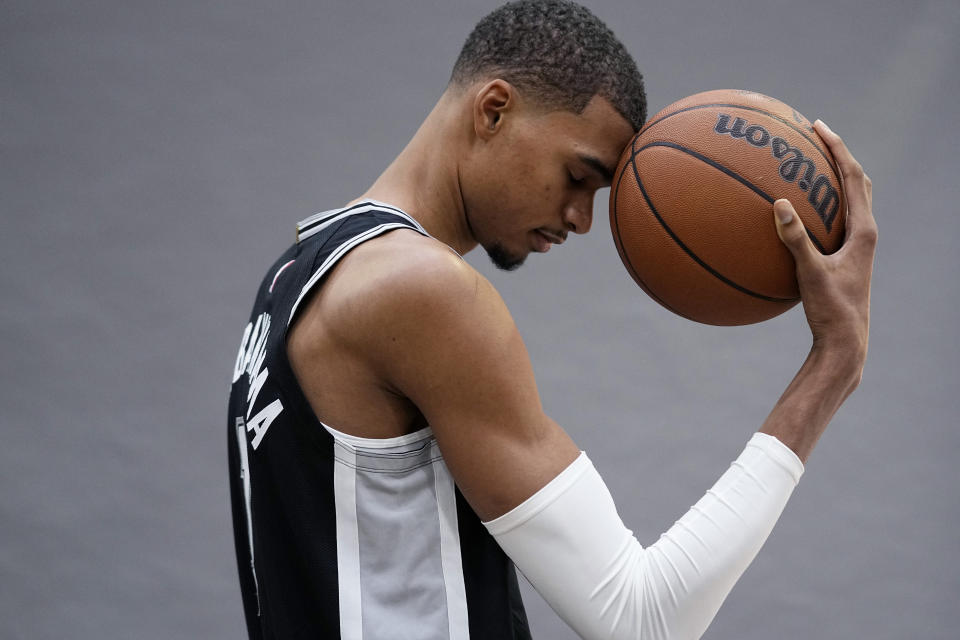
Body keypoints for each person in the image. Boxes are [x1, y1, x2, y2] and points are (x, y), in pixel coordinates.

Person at [226, 1, 877, 638]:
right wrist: (833, 363)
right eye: (578, 176)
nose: (583, 220)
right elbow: (645, 619)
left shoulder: (296, 270)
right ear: (494, 110)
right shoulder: (422, 289)